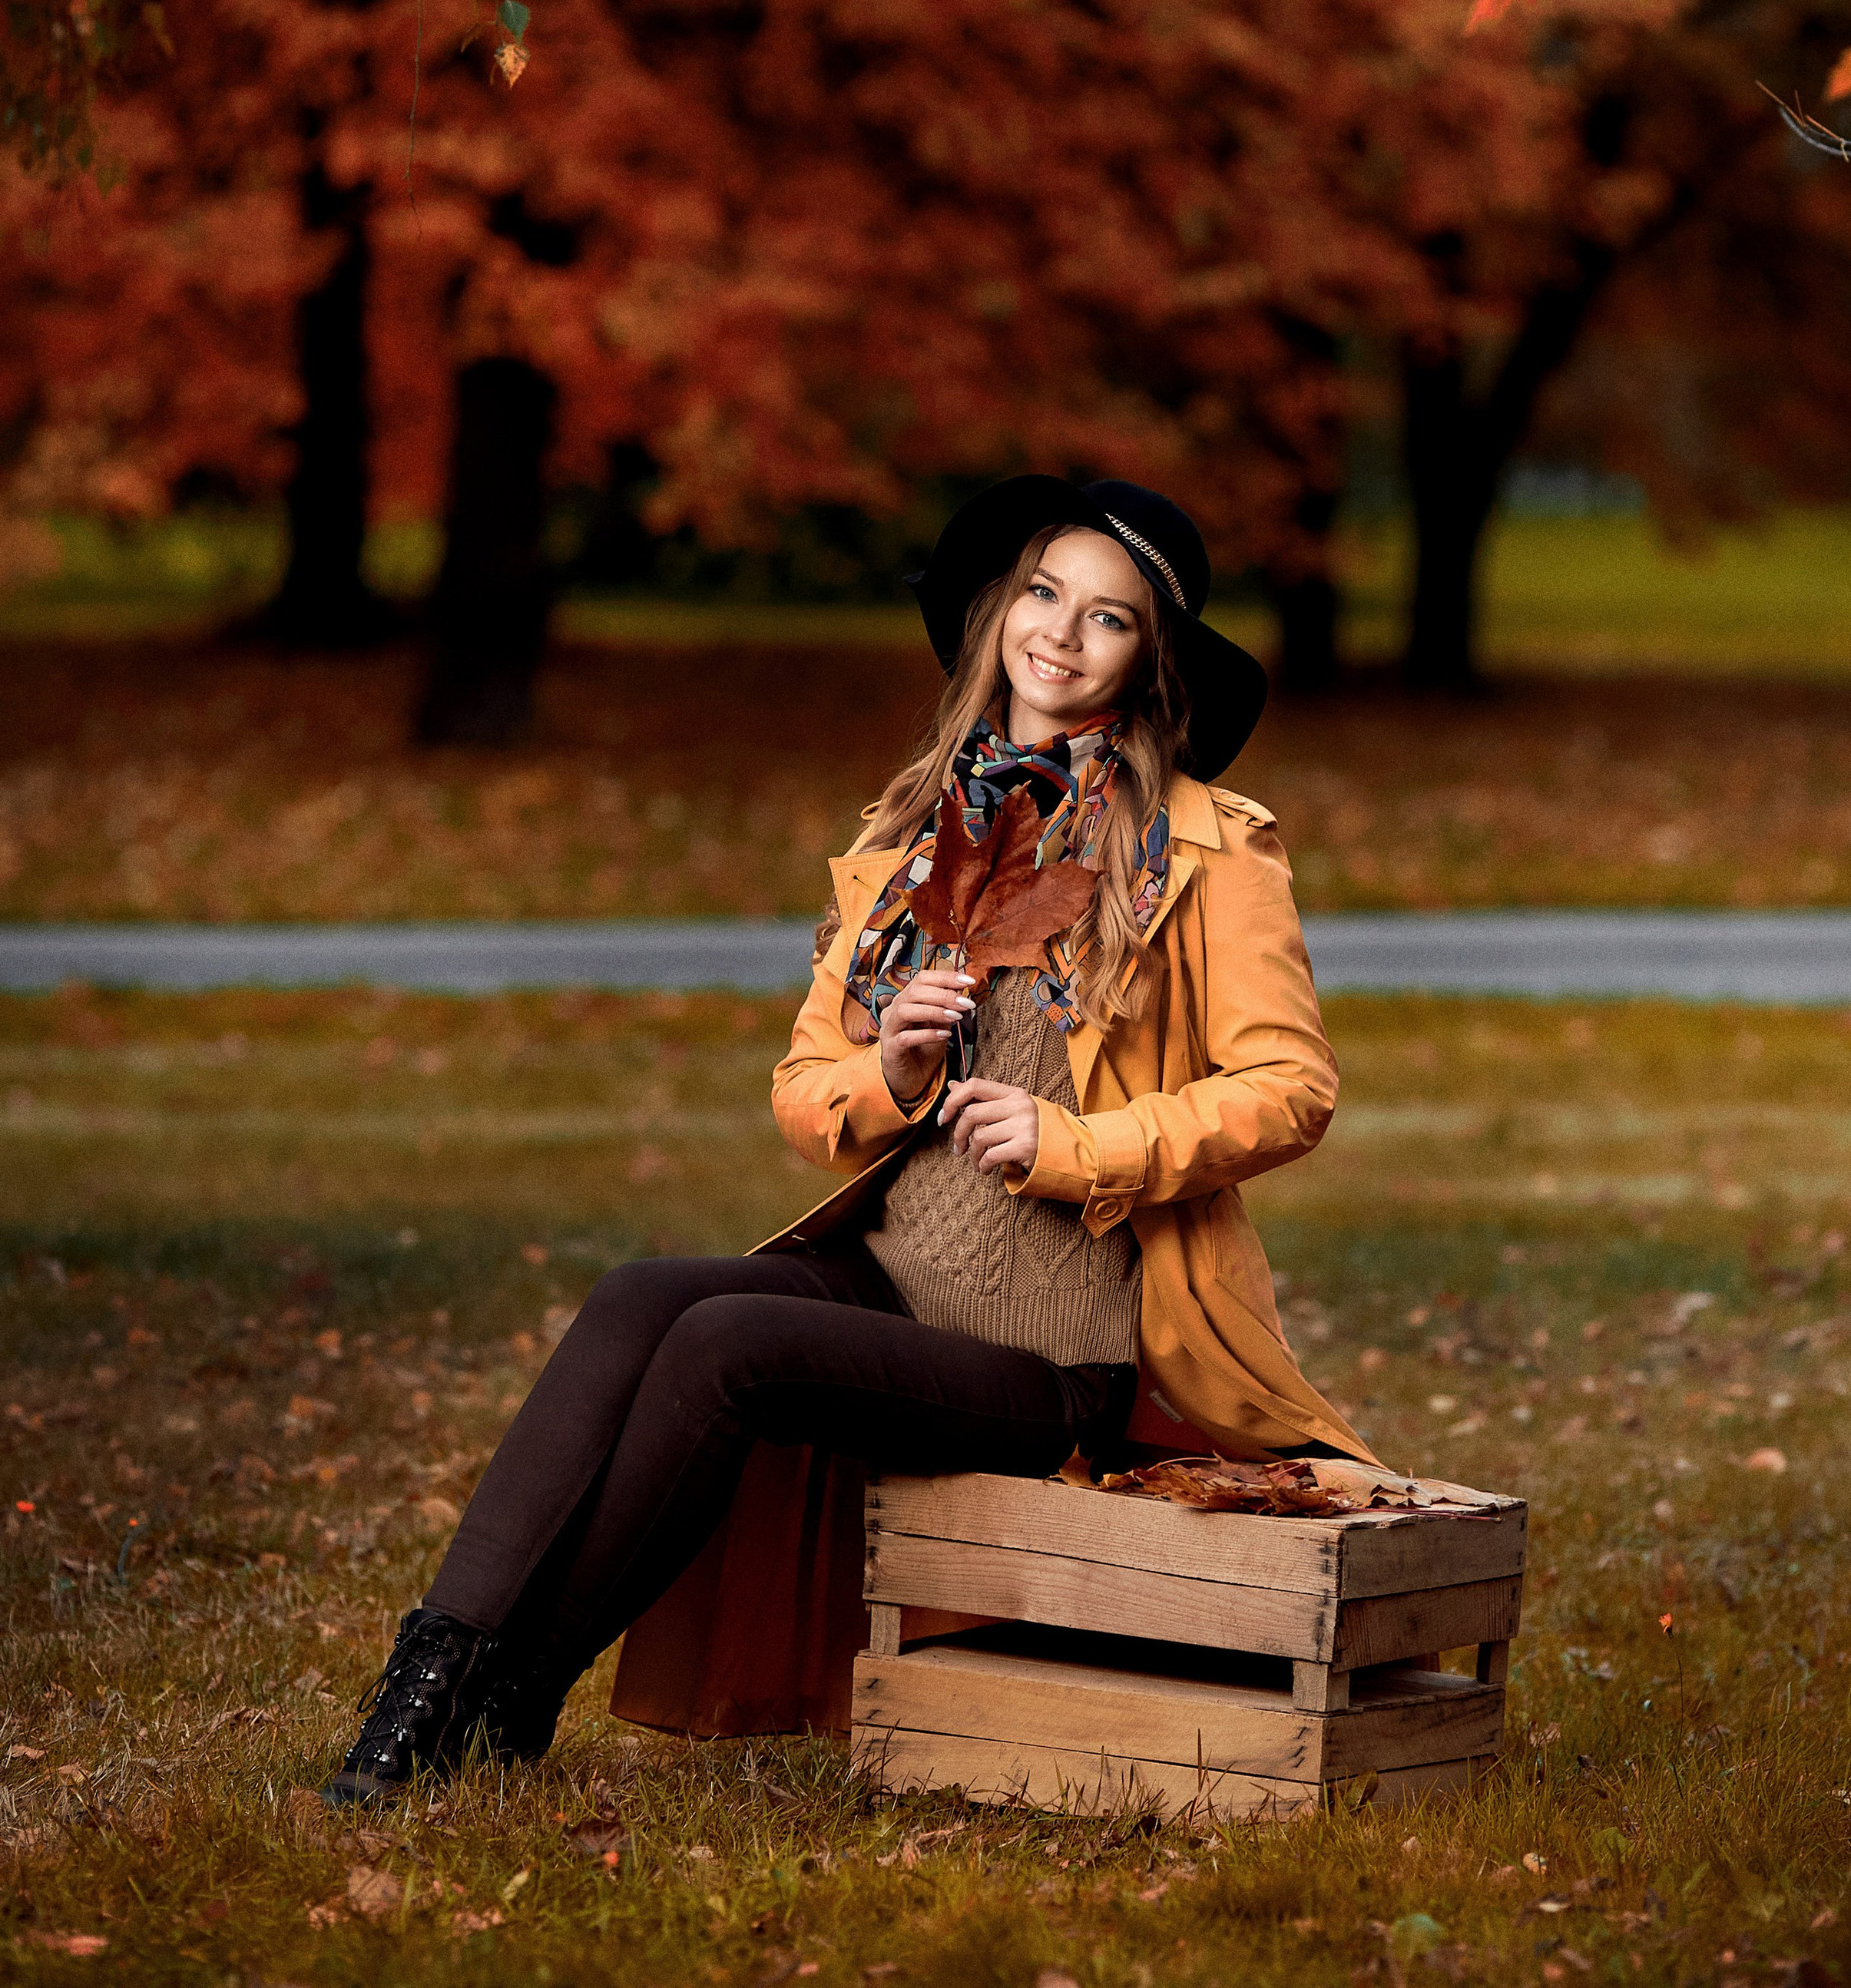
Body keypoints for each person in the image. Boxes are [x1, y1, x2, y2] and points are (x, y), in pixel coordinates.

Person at [323, 476, 1369, 1806]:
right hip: (889, 1282)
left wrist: (1081, 1142)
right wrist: (892, 1072)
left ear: (1149, 662)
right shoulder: (915, 844)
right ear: (1000, 613)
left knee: (725, 1344)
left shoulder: (1209, 854)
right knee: (644, 1295)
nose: (1060, 633)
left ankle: (513, 1686)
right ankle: (435, 1689)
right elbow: (805, 1091)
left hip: (1060, 1353)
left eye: (1106, 618)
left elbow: (1292, 1088)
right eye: (1043, 594)